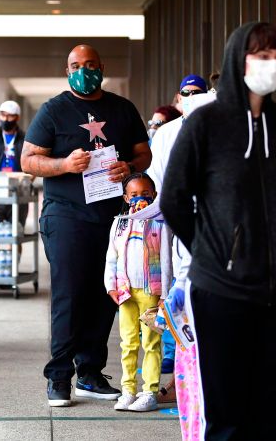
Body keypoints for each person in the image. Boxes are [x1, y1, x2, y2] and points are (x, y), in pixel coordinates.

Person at [160, 22, 276, 439]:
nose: (272, 64)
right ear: (237, 59)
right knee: (226, 415)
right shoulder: (205, 124)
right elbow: (173, 198)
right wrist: (211, 252)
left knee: (272, 413)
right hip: (220, 291)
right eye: (262, 55)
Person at [21, 43, 152, 407]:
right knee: (69, 294)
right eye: (76, 65)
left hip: (114, 218)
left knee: (107, 293)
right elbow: (28, 159)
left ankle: (91, 373)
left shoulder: (122, 109)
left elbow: (144, 152)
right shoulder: (54, 110)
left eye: (90, 64)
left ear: (101, 67)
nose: (84, 70)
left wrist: (129, 166)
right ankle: (59, 377)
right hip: (66, 215)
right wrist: (64, 165)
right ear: (67, 71)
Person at [147, 74, 212, 379]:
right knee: (175, 293)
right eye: (185, 93)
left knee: (193, 300)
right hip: (176, 224)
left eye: (197, 93)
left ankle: (188, 375)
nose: (191, 97)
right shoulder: (168, 133)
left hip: (211, 229)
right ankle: (175, 366)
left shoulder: (219, 132)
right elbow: (159, 181)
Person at [104, 173, 172, 413]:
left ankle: (150, 392)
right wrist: (110, 284)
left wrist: (164, 293)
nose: (140, 199)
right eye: (134, 195)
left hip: (151, 293)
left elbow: (166, 259)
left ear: (153, 195)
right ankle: (128, 390)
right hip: (125, 292)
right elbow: (111, 256)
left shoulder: (161, 224)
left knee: (152, 343)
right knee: (128, 343)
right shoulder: (120, 222)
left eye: (145, 194)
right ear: (126, 197)